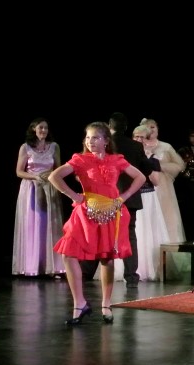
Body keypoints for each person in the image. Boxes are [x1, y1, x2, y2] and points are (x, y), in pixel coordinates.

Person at [49, 122, 146, 325]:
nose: (90, 141)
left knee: (106, 258)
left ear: (106, 141)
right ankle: (79, 303)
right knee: (68, 254)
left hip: (110, 213)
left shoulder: (116, 160)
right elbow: (54, 176)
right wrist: (75, 195)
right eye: (87, 138)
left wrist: (123, 197)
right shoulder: (81, 160)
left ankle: (106, 304)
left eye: (95, 137)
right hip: (86, 213)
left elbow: (140, 177)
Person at [81, 112, 156, 288]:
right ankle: (131, 277)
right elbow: (146, 170)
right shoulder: (135, 146)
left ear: (109, 126)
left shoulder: (103, 143)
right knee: (129, 236)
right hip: (128, 197)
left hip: (104, 197)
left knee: (97, 233)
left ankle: (86, 273)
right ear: (126, 127)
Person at [12, 117, 66, 278]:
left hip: (49, 188)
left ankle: (52, 267)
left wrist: (50, 176)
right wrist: (36, 177)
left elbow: (59, 168)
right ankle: (32, 266)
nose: (43, 130)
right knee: (33, 225)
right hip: (31, 189)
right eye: (41, 128)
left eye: (46, 128)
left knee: (50, 225)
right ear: (33, 129)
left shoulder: (54, 147)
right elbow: (19, 172)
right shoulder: (25, 147)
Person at [139, 118, 187, 246]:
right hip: (144, 189)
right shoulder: (138, 146)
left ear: (157, 129)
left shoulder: (166, 147)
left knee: (168, 218)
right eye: (147, 127)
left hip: (164, 189)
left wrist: (160, 166)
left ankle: (168, 253)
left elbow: (180, 165)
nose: (150, 130)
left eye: (153, 127)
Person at [130, 125, 170, 281]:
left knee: (148, 232)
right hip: (132, 196)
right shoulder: (128, 155)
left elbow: (156, 181)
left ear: (147, 140)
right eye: (136, 137)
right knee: (134, 232)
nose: (139, 140)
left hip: (148, 198)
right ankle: (132, 268)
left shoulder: (152, 158)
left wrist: (146, 162)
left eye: (143, 137)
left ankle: (147, 269)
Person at [176, 129, 194, 241]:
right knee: (187, 211)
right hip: (184, 187)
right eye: (192, 136)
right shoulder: (182, 151)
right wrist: (193, 172)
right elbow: (180, 169)